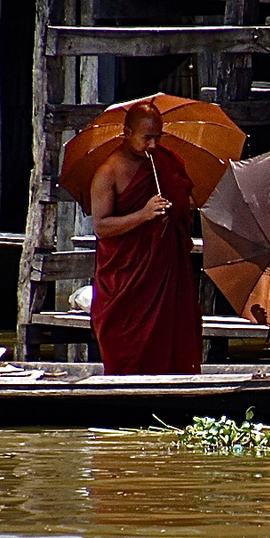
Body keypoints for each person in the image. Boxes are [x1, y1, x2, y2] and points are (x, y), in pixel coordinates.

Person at [87, 101, 201, 375]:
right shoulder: (108, 172)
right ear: (127, 133)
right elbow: (101, 227)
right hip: (127, 278)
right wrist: (144, 214)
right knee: (125, 343)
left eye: (157, 137)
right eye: (146, 137)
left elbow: (185, 204)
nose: (152, 145)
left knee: (174, 337)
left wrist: (175, 209)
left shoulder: (167, 162)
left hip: (165, 269)